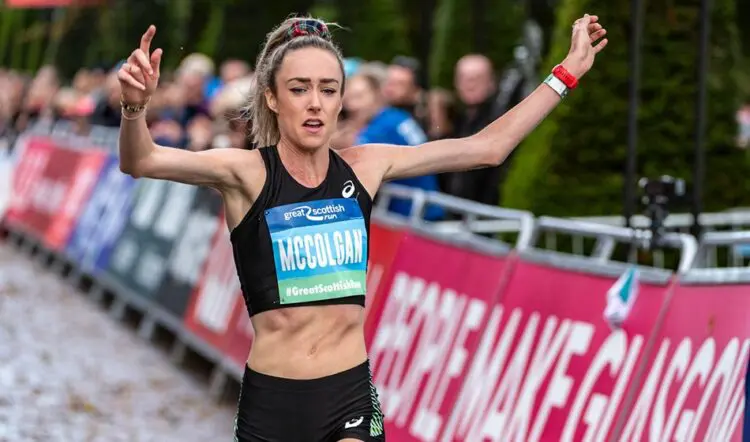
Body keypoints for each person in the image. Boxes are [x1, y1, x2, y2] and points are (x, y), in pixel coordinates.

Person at [116, 14, 607, 442]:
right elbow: (142, 161)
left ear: (341, 100)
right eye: (299, 89)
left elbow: (487, 148)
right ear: (272, 98)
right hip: (275, 402)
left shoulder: (366, 166)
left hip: (349, 392)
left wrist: (565, 73)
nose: (315, 103)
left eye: (328, 90)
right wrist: (135, 109)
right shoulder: (246, 173)